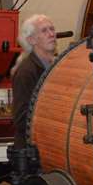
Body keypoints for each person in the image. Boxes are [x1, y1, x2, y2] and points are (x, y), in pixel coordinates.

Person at [11, 14, 58, 147]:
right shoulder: (26, 72)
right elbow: (21, 119)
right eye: (44, 31)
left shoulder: (58, 65)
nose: (51, 34)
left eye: (52, 29)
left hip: (50, 143)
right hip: (33, 149)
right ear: (31, 40)